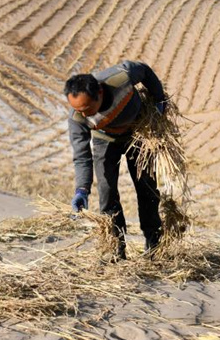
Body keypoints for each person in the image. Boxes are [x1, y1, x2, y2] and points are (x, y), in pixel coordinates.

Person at [64, 60, 167, 261]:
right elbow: (82, 156)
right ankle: (116, 249)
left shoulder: (121, 77)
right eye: (78, 110)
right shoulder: (77, 118)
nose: (84, 115)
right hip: (106, 140)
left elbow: (145, 71)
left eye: (87, 108)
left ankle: (153, 244)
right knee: (107, 193)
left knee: (147, 188)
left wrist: (159, 100)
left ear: (99, 93)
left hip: (138, 132)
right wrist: (82, 189)